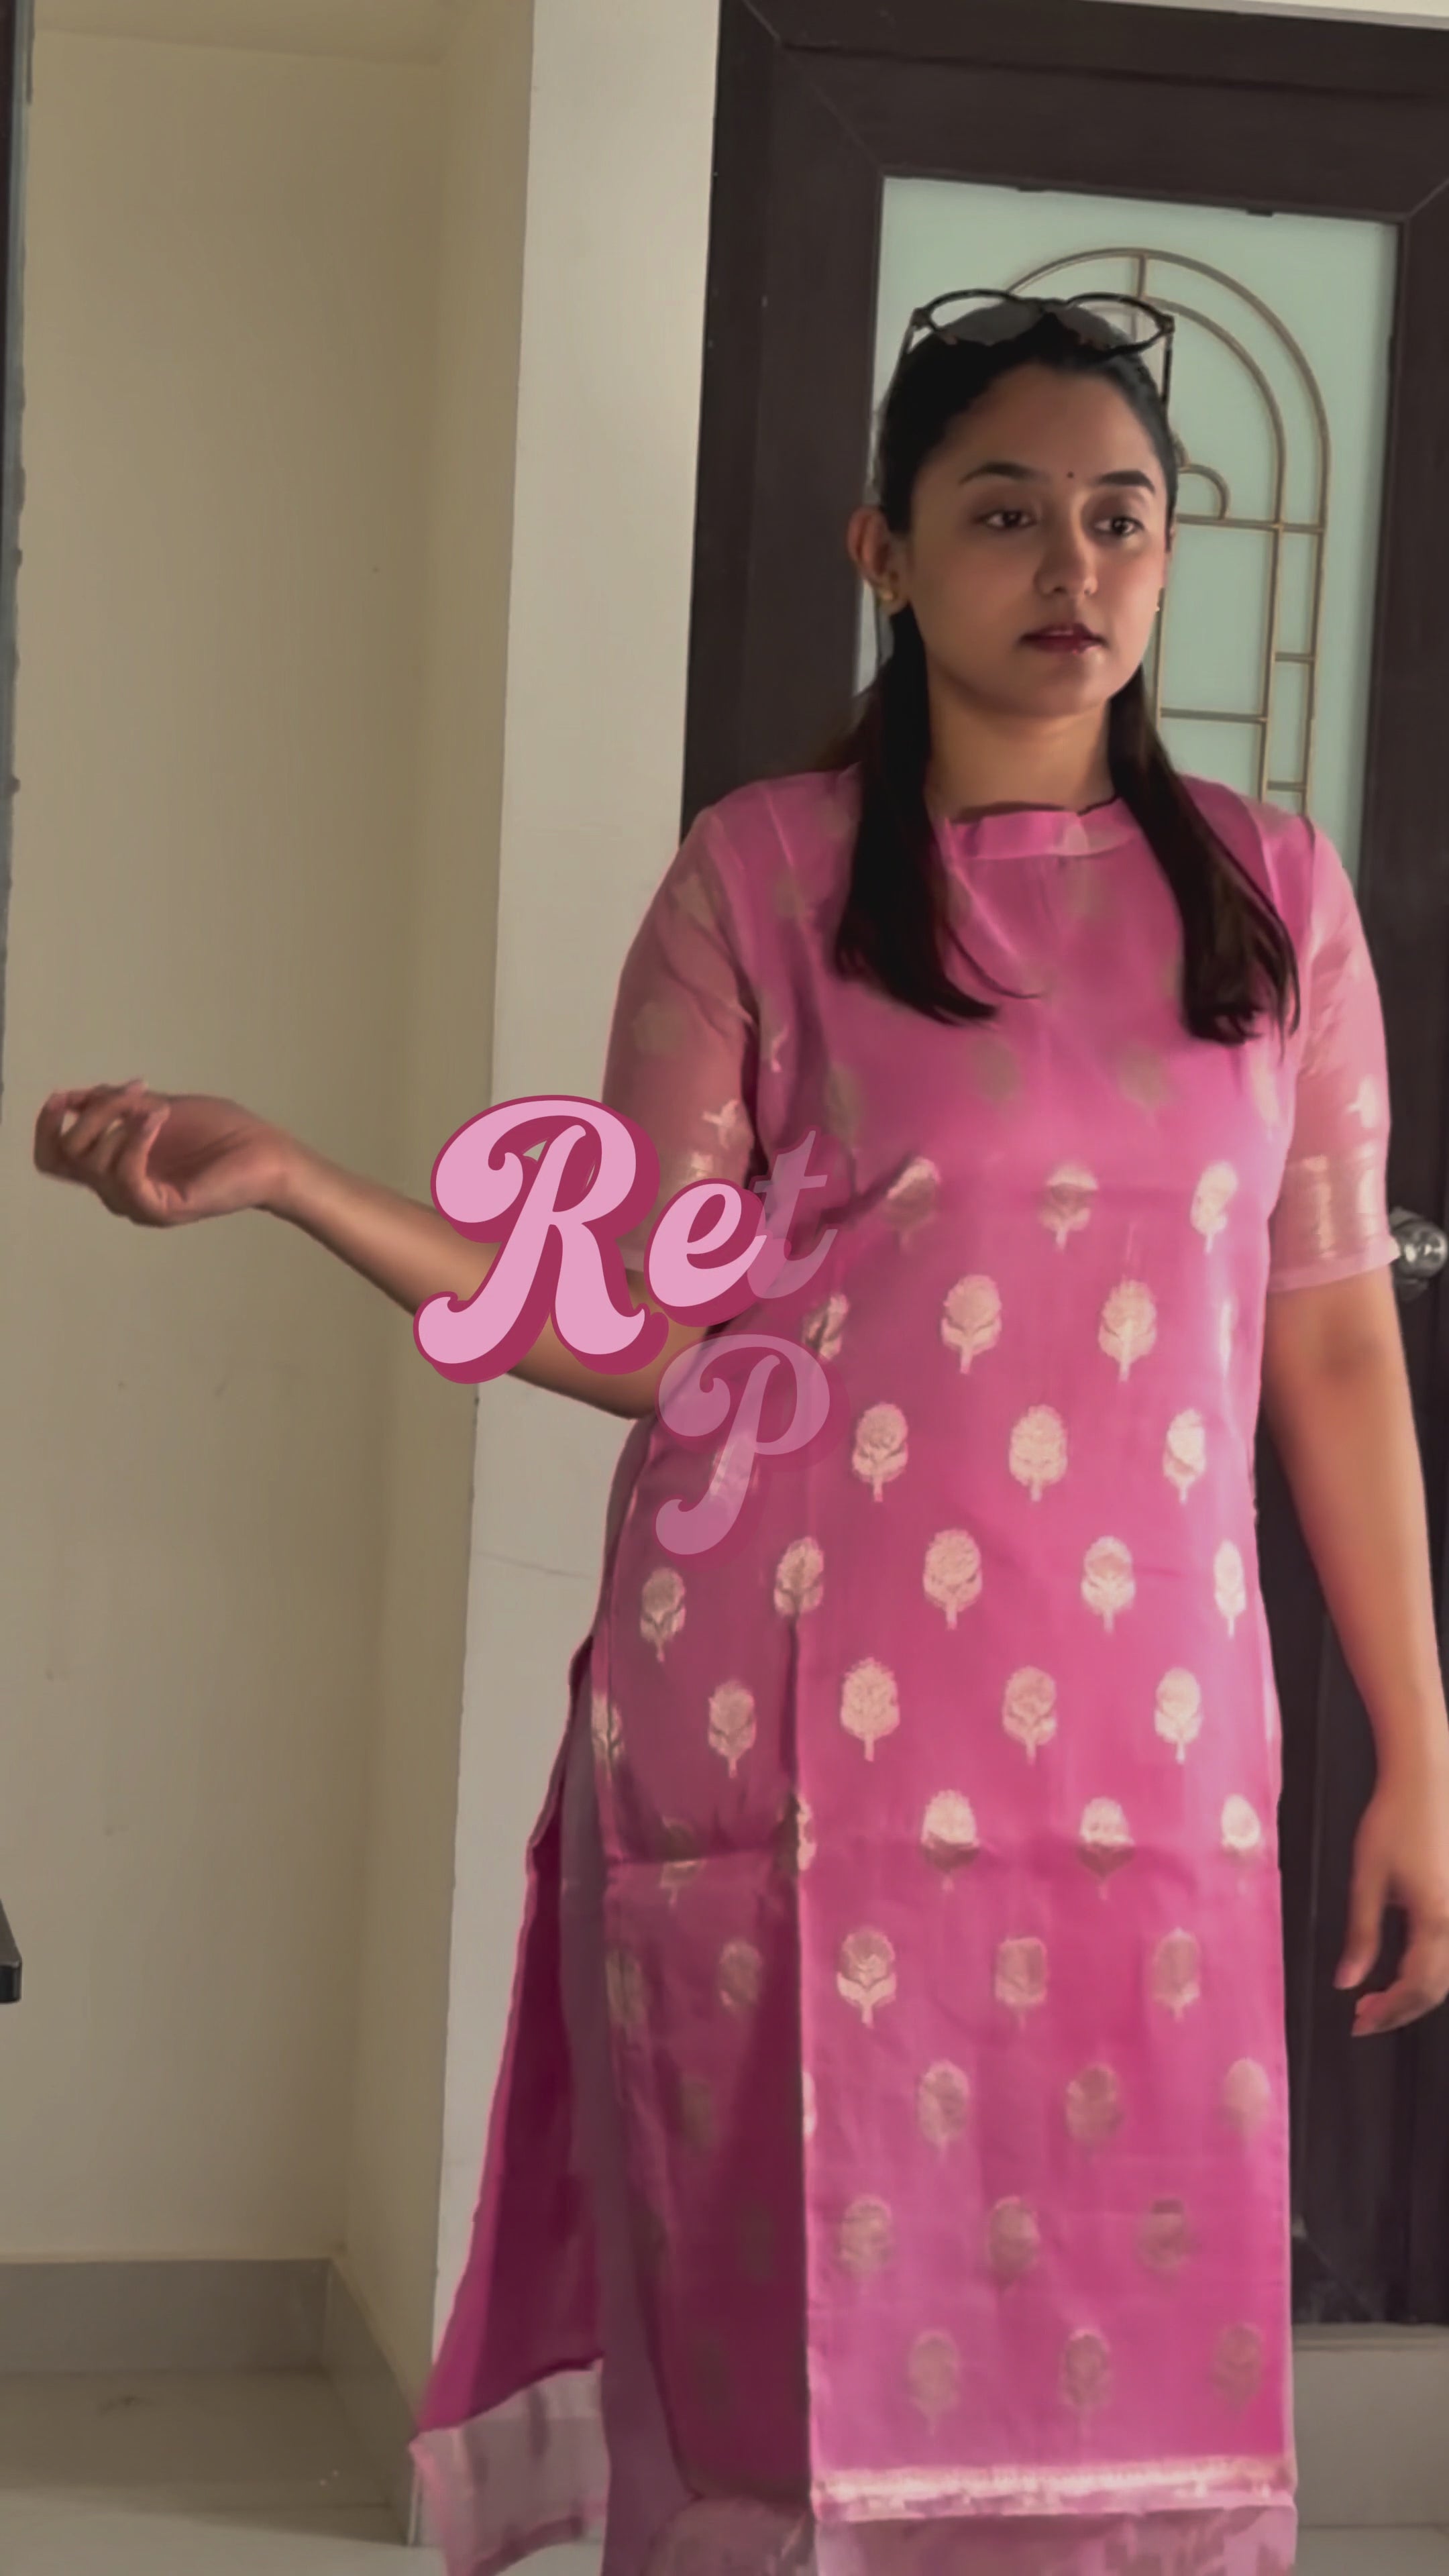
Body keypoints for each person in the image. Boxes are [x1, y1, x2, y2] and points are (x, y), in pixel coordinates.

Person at [33, 292, 1449, 2576]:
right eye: (1006, 514)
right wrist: (302, 1182)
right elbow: (637, 1313)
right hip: (790, 1756)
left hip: (1148, 1760)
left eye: (1120, 518)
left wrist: (1421, 1745)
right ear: (886, 550)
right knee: (795, 2409)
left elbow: (1339, 1348)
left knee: (1122, 2397)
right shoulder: (767, 883)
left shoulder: (1275, 910)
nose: (1072, 567)